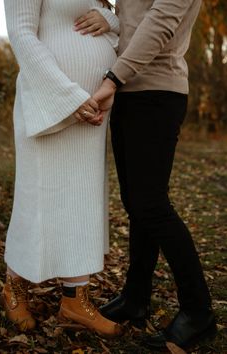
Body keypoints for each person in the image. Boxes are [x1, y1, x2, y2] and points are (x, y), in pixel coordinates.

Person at [76, 0, 217, 350]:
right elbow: (130, 19)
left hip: (156, 92)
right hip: (130, 91)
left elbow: (159, 23)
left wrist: (112, 78)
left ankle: (199, 313)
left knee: (151, 205)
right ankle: (135, 298)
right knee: (137, 205)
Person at [2, 0, 123, 337]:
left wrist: (109, 18)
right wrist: (69, 96)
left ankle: (75, 298)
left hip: (93, 106)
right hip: (50, 102)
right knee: (38, 197)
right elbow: (22, 34)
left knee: (81, 197)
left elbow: (121, 26)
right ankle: (14, 288)